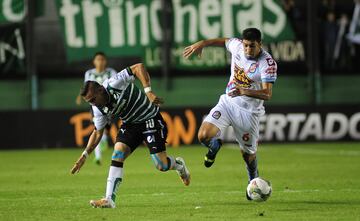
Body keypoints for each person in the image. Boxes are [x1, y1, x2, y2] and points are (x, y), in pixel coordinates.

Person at [70, 63, 191, 208]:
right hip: (130, 125)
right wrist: (85, 155)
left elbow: (138, 67)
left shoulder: (114, 83)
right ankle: (109, 199)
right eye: (89, 102)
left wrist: (148, 91)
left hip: (150, 118)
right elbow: (97, 132)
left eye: (93, 99)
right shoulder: (98, 109)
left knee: (162, 165)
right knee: (118, 153)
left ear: (101, 90)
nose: (93, 104)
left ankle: (179, 165)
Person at [183, 28, 277, 200]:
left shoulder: (267, 63)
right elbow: (224, 41)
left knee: (247, 154)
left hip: (249, 113)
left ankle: (252, 180)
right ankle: (214, 146)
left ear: (260, 45)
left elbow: (267, 94)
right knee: (203, 135)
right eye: (246, 45)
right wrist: (202, 43)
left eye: (252, 46)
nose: (248, 50)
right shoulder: (237, 46)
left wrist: (244, 90)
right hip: (227, 103)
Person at [76, 52, 117, 165]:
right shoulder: (89, 73)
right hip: (96, 106)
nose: (100, 62)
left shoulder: (111, 72)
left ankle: (105, 140)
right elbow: (85, 88)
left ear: (105, 61)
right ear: (94, 61)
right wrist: (80, 97)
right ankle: (98, 156)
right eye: (98, 59)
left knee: (109, 127)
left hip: (110, 104)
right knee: (97, 128)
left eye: (102, 59)